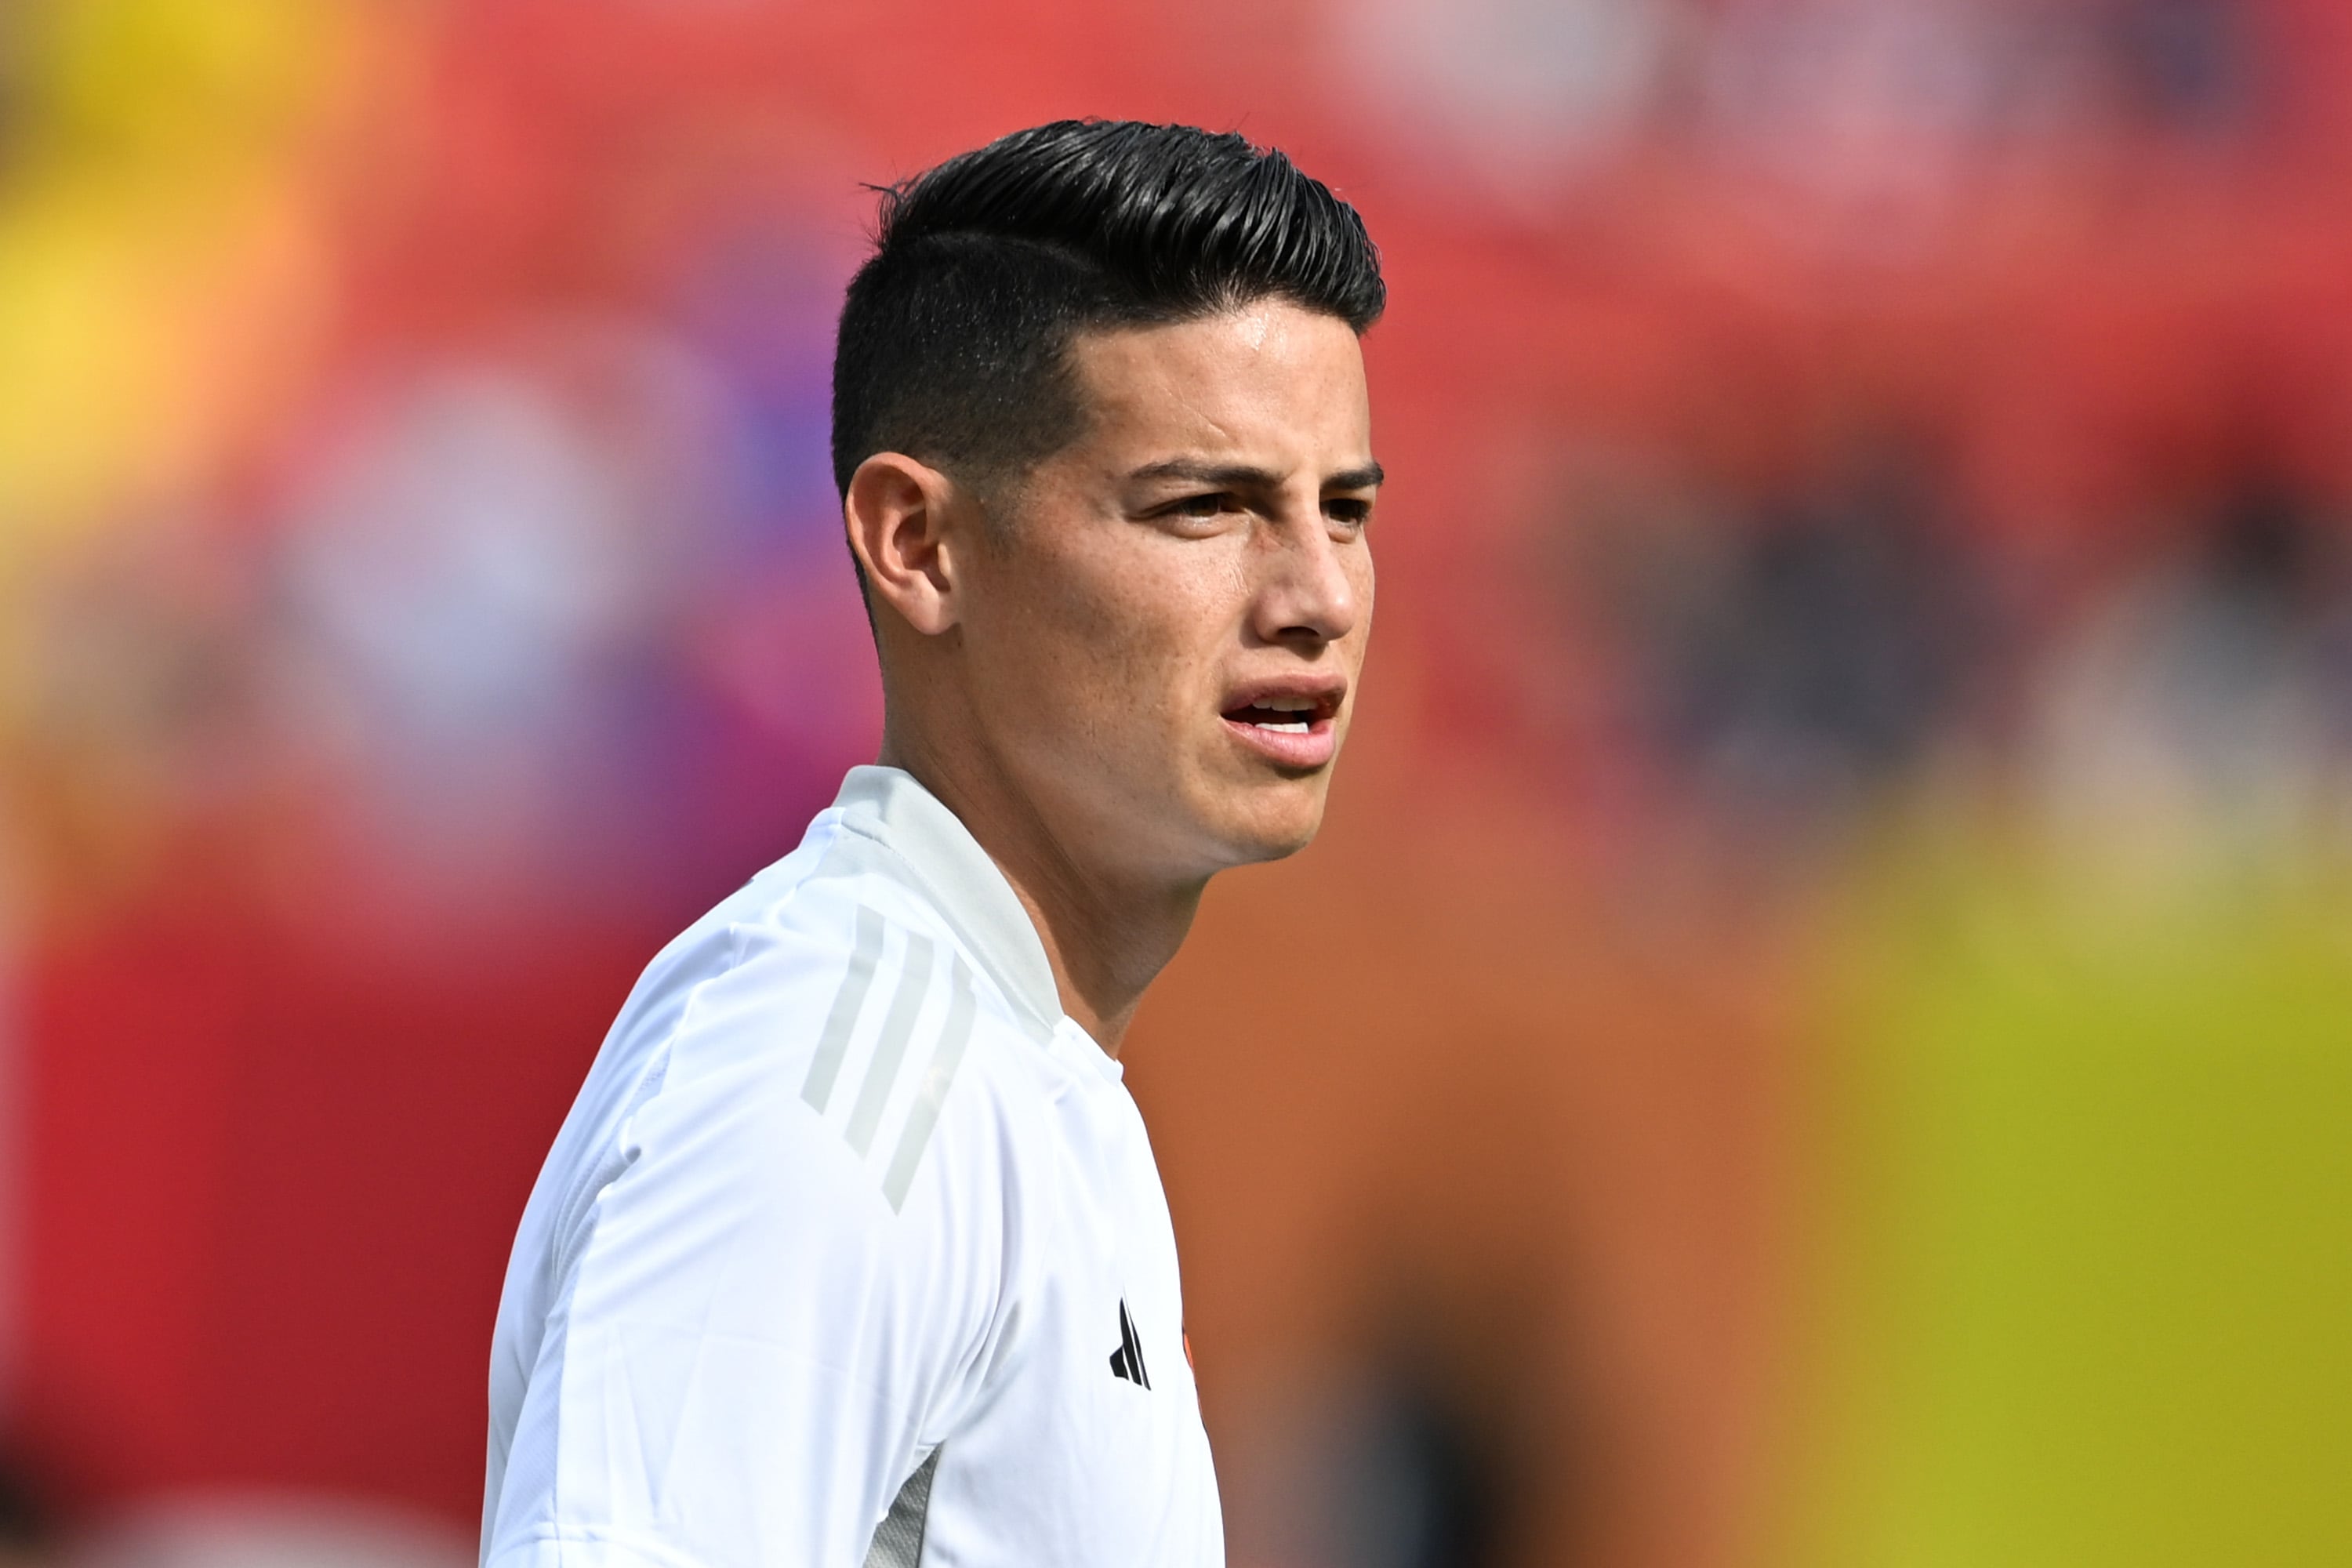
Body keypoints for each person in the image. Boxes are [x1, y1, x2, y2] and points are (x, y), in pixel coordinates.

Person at [478, 118, 1385, 1567]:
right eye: (1207, 507)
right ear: (918, 544)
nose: (1320, 595)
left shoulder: (1019, 1071)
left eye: (1344, 510)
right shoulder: (828, 1073)